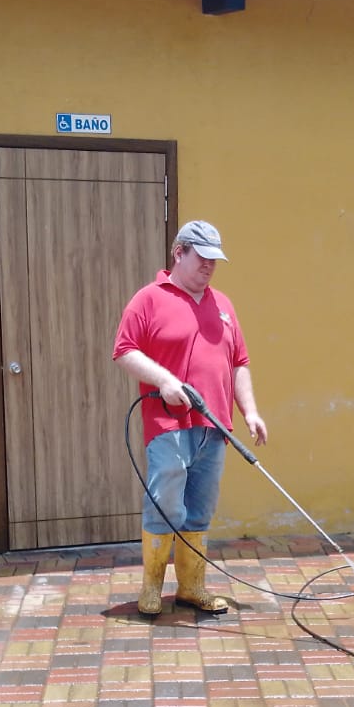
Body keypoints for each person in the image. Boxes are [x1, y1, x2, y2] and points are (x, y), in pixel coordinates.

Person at [113, 219, 267, 616]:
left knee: (200, 508)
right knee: (166, 502)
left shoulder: (223, 304)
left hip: (214, 427)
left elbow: (239, 362)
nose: (209, 266)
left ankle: (192, 587)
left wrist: (249, 411)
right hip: (168, 425)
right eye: (202, 258)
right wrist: (164, 380)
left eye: (215, 260)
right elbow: (125, 350)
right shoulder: (148, 300)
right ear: (179, 253)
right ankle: (151, 587)